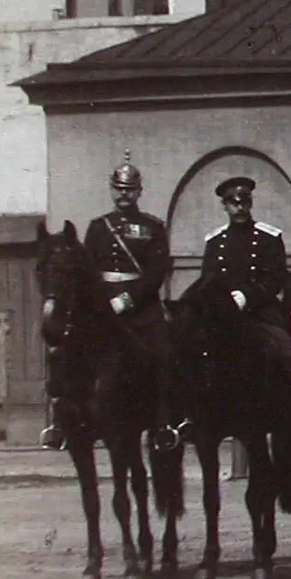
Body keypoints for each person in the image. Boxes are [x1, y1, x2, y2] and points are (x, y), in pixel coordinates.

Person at [70, 154, 175, 450]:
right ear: (111, 189)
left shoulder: (153, 228)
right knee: (71, 348)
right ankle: (71, 420)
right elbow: (90, 271)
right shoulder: (98, 228)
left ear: (139, 191)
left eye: (129, 189)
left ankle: (163, 422)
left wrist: (128, 299)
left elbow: (156, 271)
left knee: (163, 351)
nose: (123, 194)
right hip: (105, 308)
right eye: (118, 188)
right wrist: (102, 303)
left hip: (141, 309)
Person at [197, 176, 291, 381]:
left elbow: (276, 277)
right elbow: (207, 280)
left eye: (245, 202)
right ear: (225, 205)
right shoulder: (215, 241)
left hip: (261, 311)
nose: (240, 208)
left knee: (282, 345)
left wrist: (246, 297)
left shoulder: (269, 237)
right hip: (222, 312)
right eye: (234, 203)